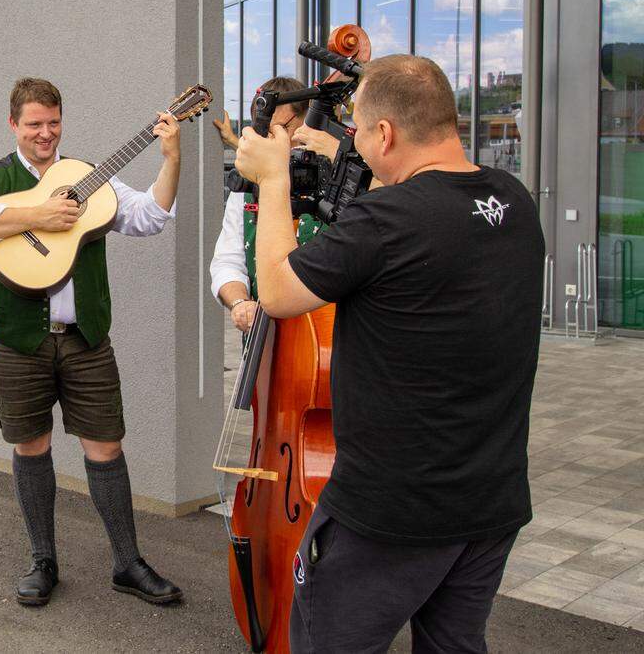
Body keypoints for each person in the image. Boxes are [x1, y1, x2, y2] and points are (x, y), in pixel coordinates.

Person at [233, 55, 544, 652]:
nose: (353, 141)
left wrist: (273, 181)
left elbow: (275, 291)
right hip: (491, 501)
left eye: (359, 132)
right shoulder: (512, 199)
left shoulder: (386, 221)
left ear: (387, 134)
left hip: (391, 512)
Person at [0, 77, 183, 607]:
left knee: (106, 447)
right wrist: (36, 215)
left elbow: (148, 218)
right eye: (34, 124)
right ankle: (43, 559)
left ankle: (127, 562)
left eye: (53, 123)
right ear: (13, 124)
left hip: (86, 338)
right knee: (31, 446)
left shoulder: (86, 176)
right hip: (19, 339)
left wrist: (170, 161)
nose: (45, 134)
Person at [209, 76, 339, 333]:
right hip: (268, 340)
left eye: (278, 129)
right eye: (263, 132)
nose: (270, 141)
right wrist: (239, 303)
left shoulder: (336, 180)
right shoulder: (249, 182)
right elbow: (227, 260)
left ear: (307, 120)